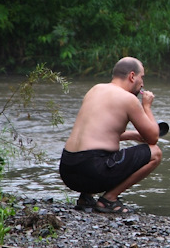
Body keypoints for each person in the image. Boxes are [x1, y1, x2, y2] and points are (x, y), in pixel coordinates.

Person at [59, 57, 162, 214]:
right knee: (155, 153)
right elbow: (153, 138)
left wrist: (133, 135)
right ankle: (109, 199)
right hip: (92, 172)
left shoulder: (95, 89)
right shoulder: (128, 98)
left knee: (98, 152)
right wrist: (146, 106)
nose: (142, 84)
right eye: (142, 77)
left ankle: (86, 197)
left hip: (68, 171)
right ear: (132, 76)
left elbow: (99, 133)